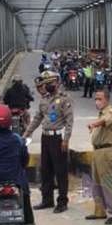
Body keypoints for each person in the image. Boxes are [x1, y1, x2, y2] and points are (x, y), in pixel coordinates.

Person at [23, 71, 74, 213]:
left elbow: (69, 121)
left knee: (60, 171)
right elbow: (37, 119)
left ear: (57, 83)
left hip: (58, 139)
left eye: (51, 83)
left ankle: (62, 202)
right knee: (46, 170)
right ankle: (47, 199)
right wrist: (26, 134)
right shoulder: (44, 99)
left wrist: (66, 140)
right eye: (47, 84)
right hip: (45, 138)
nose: (48, 86)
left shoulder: (64, 99)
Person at [86, 88, 112, 224]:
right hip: (97, 151)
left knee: (108, 182)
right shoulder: (101, 114)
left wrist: (94, 124)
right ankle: (99, 210)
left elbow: (106, 120)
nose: (97, 101)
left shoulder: (110, 112)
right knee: (97, 183)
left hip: (106, 151)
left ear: (106, 100)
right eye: (96, 98)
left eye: (100, 99)